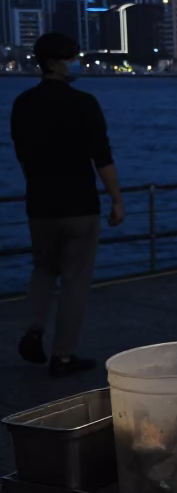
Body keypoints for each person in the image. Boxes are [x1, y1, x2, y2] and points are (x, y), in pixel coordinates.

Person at [11, 33, 124, 376]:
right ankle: (62, 356)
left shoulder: (22, 104)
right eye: (69, 57)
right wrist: (116, 200)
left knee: (43, 270)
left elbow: (21, 155)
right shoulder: (84, 103)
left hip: (40, 204)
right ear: (53, 62)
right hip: (79, 204)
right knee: (75, 280)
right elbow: (101, 157)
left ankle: (34, 328)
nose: (74, 61)